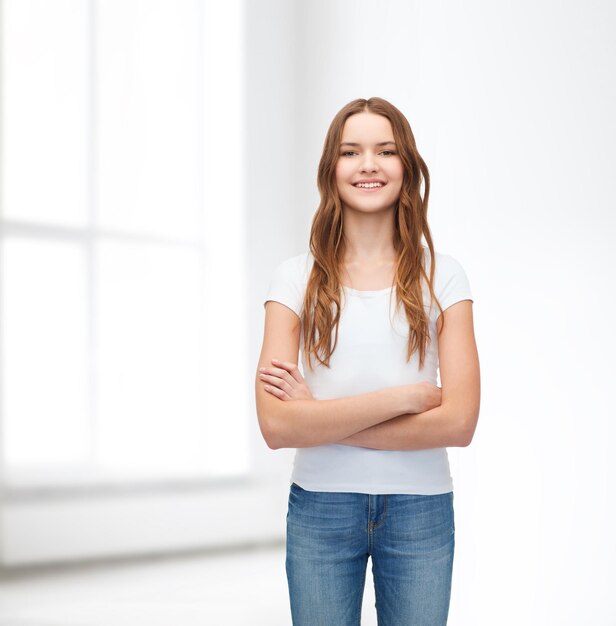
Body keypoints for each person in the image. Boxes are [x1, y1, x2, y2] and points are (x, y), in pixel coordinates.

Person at [255, 96, 480, 626]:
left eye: (386, 150)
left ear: (407, 167)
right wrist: (402, 399)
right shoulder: (293, 280)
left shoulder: (444, 277)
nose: (369, 165)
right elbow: (276, 424)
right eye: (351, 151)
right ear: (331, 169)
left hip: (420, 509)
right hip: (321, 508)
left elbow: (460, 422)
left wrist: (321, 418)